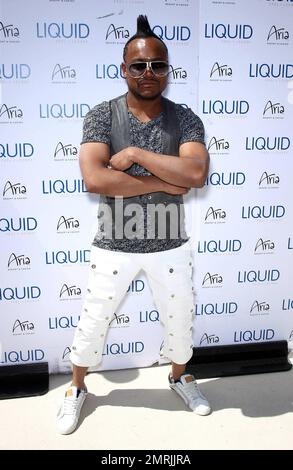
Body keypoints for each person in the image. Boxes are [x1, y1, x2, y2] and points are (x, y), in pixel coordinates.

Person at [57, 15, 211, 435]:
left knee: (180, 321)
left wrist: (135, 156)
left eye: (157, 65)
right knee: (93, 322)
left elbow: (195, 174)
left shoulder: (186, 118)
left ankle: (180, 377)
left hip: (171, 243)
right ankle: (76, 388)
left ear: (168, 70)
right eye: (139, 65)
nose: (148, 73)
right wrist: (164, 179)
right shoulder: (102, 116)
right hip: (114, 242)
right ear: (124, 69)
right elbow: (96, 177)